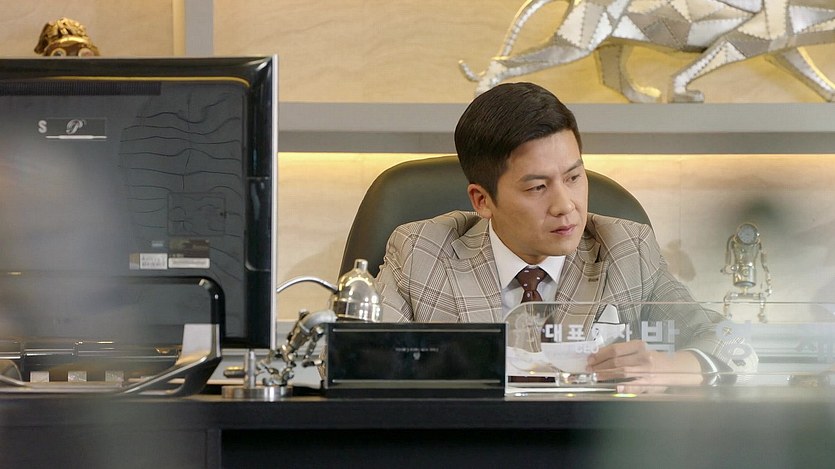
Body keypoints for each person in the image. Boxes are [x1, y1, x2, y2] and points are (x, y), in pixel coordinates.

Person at [374, 82, 756, 392]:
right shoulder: (421, 251)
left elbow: (734, 343)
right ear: (482, 200)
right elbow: (362, 360)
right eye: (537, 187)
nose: (565, 205)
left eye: (573, 177)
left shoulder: (626, 249)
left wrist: (670, 367)